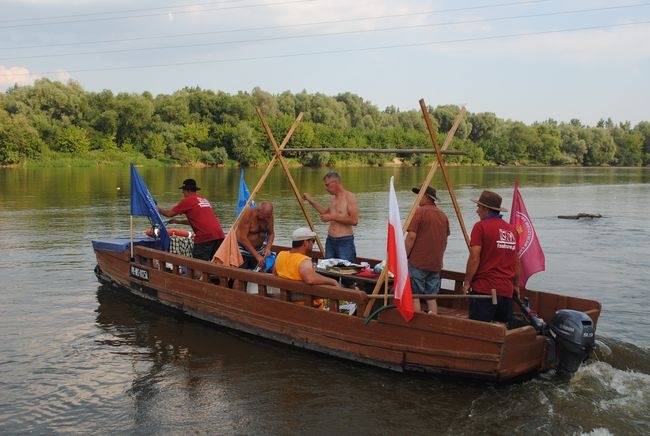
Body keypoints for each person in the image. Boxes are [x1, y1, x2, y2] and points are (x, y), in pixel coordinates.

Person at [463, 190, 520, 325]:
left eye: (479, 207)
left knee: (479, 330)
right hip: (506, 290)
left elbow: (474, 258)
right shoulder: (512, 230)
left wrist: (466, 282)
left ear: (486, 209)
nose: (477, 211)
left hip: (484, 289)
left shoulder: (480, 227)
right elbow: (517, 261)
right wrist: (516, 285)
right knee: (500, 328)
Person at [405, 186, 450, 315]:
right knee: (431, 297)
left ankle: (417, 325)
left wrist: (404, 256)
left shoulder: (420, 212)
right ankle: (432, 319)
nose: (417, 198)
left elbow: (411, 237)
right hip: (435, 263)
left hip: (418, 261)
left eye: (419, 195)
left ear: (426, 197)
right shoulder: (443, 216)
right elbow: (445, 241)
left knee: (414, 295)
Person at [157, 178, 225, 261]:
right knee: (215, 263)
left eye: (183, 192)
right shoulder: (204, 200)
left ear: (187, 191)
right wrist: (178, 221)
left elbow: (168, 214)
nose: (183, 194)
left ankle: (198, 274)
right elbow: (199, 221)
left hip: (205, 236)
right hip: (219, 235)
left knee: (198, 264)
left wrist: (156, 208)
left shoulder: (187, 201)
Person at [303, 171, 359, 263]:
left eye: (327, 185)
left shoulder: (349, 197)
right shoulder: (333, 198)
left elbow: (354, 220)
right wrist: (311, 201)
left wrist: (332, 217)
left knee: (346, 271)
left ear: (335, 183)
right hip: (330, 240)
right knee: (329, 269)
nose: (326, 188)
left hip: (344, 241)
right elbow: (325, 212)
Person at [274, 228, 339, 287]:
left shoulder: (281, 255)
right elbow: (310, 279)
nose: (313, 244)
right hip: (303, 299)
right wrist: (333, 281)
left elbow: (274, 273)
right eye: (312, 241)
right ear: (305, 243)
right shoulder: (304, 261)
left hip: (284, 296)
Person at [236, 201, 275, 270]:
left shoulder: (269, 217)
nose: (267, 219)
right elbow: (243, 238)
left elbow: (271, 233)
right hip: (243, 250)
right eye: (264, 217)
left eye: (268, 217)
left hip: (259, 250)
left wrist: (268, 248)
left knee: (260, 274)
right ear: (259, 211)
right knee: (240, 276)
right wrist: (257, 256)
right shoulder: (248, 215)